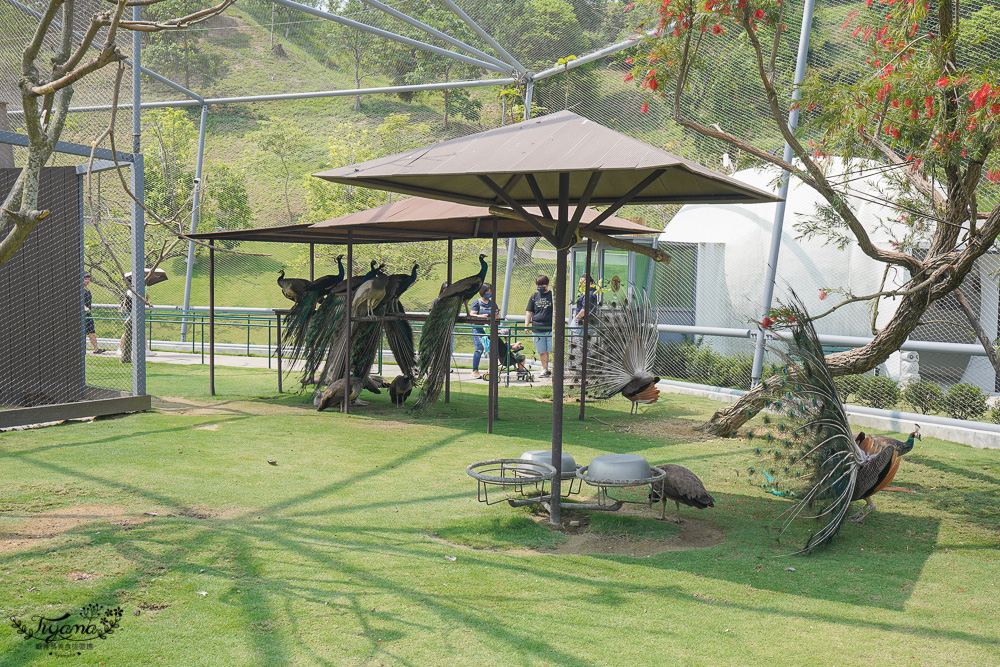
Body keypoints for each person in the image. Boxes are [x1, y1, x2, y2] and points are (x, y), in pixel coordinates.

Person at [525, 274, 554, 377]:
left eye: (543, 285)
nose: (540, 287)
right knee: (542, 350)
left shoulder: (552, 295)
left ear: (547, 285)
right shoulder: (534, 296)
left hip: (550, 327)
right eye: (538, 285)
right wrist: (526, 325)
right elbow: (529, 311)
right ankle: (544, 369)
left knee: (552, 350)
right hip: (537, 328)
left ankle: (555, 369)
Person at [469, 283, 495, 379]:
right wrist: (480, 316)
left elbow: (497, 314)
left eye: (490, 292)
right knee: (479, 348)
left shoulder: (493, 303)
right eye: (487, 291)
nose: (489, 293)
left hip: (488, 330)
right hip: (478, 329)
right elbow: (472, 314)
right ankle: (474, 370)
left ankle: (491, 370)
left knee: (492, 348)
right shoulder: (477, 303)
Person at [83, 273, 105, 354]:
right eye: (85, 279)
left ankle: (96, 349)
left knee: (91, 331)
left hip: (88, 314)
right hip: (82, 314)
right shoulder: (80, 290)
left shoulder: (87, 290)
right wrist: (84, 307)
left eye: (88, 279)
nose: (87, 281)